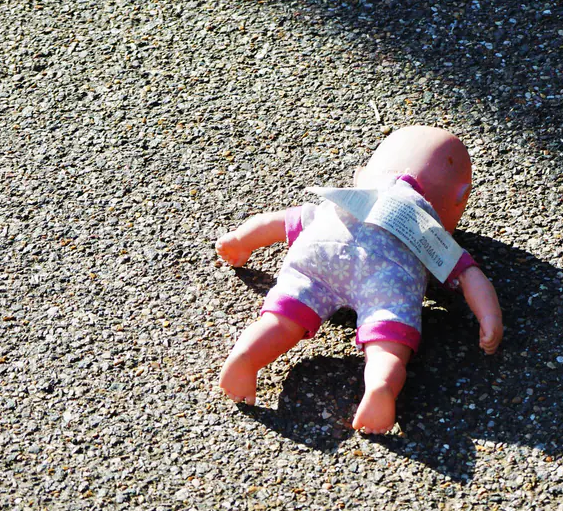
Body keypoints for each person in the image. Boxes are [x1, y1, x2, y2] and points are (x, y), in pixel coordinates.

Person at [215, 126, 503, 432]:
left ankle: (247, 355)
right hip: (385, 275)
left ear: (362, 174)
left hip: (322, 250)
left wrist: (240, 240)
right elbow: (470, 276)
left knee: (282, 320)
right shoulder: (428, 226)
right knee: (387, 346)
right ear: (460, 197)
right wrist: (490, 318)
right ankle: (380, 385)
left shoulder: (348, 199)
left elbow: (277, 221)